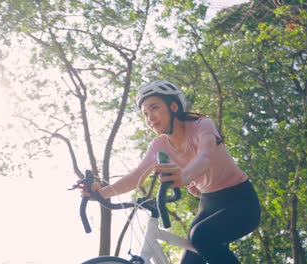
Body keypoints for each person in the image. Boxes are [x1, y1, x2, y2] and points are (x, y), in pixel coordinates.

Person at [87, 80, 261, 264]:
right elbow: (136, 177)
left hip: (241, 201)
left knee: (201, 236)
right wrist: (100, 193)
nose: (149, 117)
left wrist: (184, 176)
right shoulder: (159, 145)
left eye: (154, 108)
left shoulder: (202, 125)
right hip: (208, 204)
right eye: (145, 113)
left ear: (174, 106)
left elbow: (205, 157)